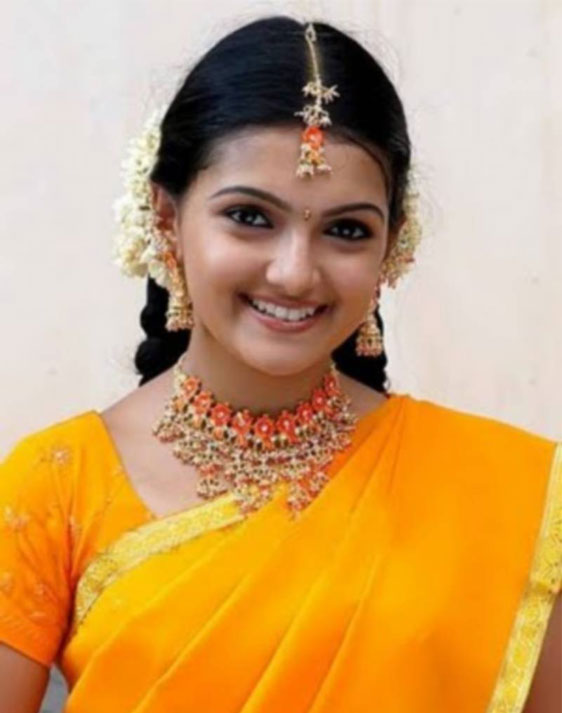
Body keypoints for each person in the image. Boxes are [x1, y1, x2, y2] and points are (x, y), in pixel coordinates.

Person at [0, 16, 560, 713]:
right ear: (168, 218)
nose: (295, 273)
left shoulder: (503, 493)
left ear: (391, 248)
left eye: (346, 230)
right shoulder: (54, 487)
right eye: (250, 217)